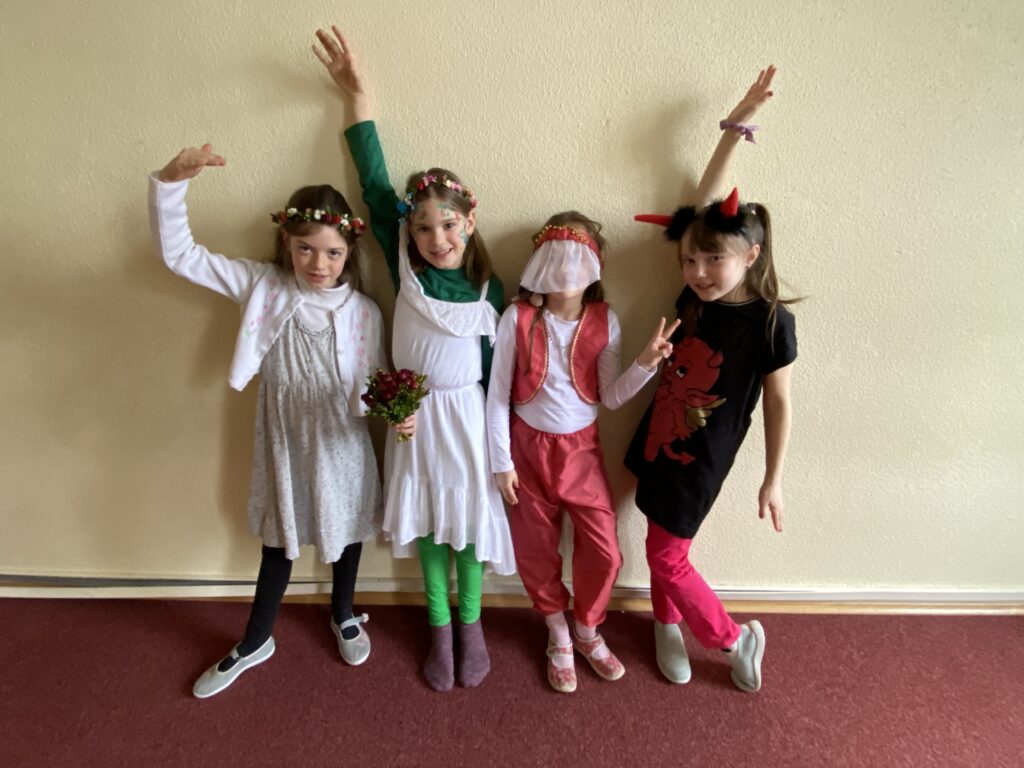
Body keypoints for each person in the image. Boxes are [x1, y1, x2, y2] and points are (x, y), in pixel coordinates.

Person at [313, 26, 515, 692]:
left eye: (448, 224)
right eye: (423, 226)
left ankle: (472, 625)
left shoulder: (490, 293)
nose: (436, 237)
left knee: (468, 526)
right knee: (430, 522)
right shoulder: (406, 267)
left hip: (468, 420)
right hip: (415, 421)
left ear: (469, 223)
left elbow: (500, 376)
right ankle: (438, 626)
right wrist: (359, 98)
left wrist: (504, 448)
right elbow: (374, 185)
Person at [148, 144, 389, 698]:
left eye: (332, 253)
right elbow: (182, 256)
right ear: (286, 242)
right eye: (306, 249)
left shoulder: (364, 311)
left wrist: (398, 415)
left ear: (349, 250)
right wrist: (170, 183)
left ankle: (344, 612)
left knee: (348, 527)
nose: (318, 264)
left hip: (342, 441)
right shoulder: (263, 286)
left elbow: (377, 386)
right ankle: (256, 638)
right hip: (284, 440)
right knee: (280, 541)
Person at [628, 65, 798, 692]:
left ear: (750, 255)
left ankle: (732, 637)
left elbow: (778, 404)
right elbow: (702, 207)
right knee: (660, 542)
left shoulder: (771, 323)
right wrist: (734, 126)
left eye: (714, 259)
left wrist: (773, 478)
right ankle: (665, 622)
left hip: (703, 456)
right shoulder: (693, 298)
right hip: (659, 434)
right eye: (689, 259)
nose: (699, 270)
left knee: (668, 554)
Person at [485, 213, 678, 692]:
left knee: (604, 550)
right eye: (555, 258)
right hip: (526, 449)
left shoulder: (604, 320)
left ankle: (587, 628)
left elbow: (609, 397)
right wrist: (502, 462)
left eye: (577, 260)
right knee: (535, 547)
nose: (565, 271)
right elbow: (498, 394)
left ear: (593, 266)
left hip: (581, 452)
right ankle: (557, 632)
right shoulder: (517, 318)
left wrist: (645, 363)